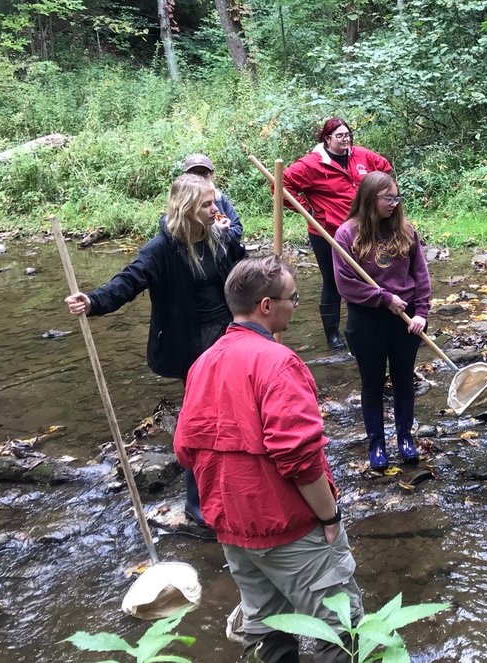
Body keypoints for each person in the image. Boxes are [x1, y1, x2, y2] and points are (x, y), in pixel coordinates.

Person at [174, 255, 362, 663]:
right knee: (341, 628)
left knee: (266, 629)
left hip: (230, 525)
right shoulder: (279, 363)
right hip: (285, 523)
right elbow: (299, 456)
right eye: (292, 297)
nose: (296, 304)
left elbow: (184, 450)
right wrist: (330, 518)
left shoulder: (202, 364)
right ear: (266, 306)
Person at [64, 173, 246, 526]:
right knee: (203, 420)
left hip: (228, 337)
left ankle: (229, 486)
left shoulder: (218, 235)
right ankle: (197, 502)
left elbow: (241, 270)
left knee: (232, 415)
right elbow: (129, 280)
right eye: (207, 204)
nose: (216, 208)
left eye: (214, 202)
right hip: (190, 347)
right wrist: (93, 301)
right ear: (188, 209)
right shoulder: (162, 248)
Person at [332, 172, 430, 470]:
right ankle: (376, 444)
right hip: (367, 319)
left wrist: (422, 313)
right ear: (369, 198)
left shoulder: (406, 231)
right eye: (388, 198)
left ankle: (405, 439)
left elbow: (421, 275)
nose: (394, 204)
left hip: (406, 319)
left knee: (404, 380)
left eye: (396, 198)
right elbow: (345, 283)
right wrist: (384, 298)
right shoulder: (346, 235)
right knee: (372, 383)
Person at [284, 117, 393, 351]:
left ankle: (368, 326)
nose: (345, 139)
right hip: (327, 232)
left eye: (348, 135)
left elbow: (385, 170)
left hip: (363, 230)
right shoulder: (311, 164)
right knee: (333, 282)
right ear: (327, 138)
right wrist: (308, 209)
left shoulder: (362, 156)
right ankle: (332, 335)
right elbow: (281, 185)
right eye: (340, 136)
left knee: (368, 276)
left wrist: (378, 199)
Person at [181, 153, 243, 244]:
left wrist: (223, 233)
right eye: (193, 173)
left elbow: (237, 229)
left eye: (203, 172)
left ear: (211, 174)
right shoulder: (180, 201)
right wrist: (215, 230)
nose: (199, 177)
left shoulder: (220, 198)